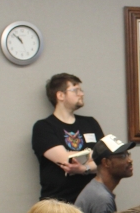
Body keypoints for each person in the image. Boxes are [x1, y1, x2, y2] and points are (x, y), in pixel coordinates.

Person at [31, 73, 104, 203]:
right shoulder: (44, 127)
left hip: (92, 200)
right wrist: (93, 156)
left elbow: (106, 160)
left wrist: (85, 168)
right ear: (60, 95)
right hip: (58, 204)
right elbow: (68, 161)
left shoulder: (90, 123)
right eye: (75, 90)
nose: (81, 94)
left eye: (81, 90)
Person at [74, 134, 135, 213]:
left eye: (128, 154)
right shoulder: (101, 198)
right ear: (106, 162)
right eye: (122, 156)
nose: (130, 160)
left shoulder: (95, 189)